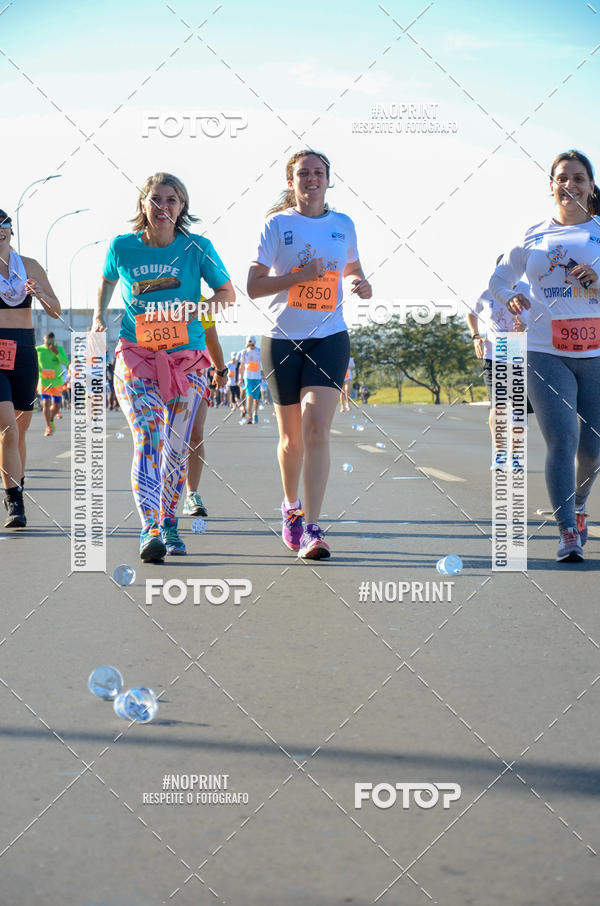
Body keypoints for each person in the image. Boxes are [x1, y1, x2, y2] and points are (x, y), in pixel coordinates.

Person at [92, 172, 235, 562]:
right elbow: (106, 280)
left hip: (187, 361)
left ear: (182, 206)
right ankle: (150, 528)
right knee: (149, 435)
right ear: (143, 204)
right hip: (136, 357)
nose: (163, 207)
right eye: (155, 199)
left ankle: (169, 521)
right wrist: (98, 316)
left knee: (176, 446)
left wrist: (199, 308)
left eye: (171, 200)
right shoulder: (122, 247)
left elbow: (227, 294)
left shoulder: (197, 248)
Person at [247, 149, 372, 559]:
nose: (311, 178)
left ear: (328, 180)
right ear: (291, 181)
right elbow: (253, 286)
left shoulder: (343, 225)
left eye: (318, 172)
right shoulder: (277, 225)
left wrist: (360, 283)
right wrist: (299, 276)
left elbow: (352, 268)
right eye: (303, 173)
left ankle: (313, 528)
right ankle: (291, 509)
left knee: (317, 429)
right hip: (282, 339)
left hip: (329, 336)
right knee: (291, 440)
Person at [489, 149, 600, 562]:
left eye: (578, 178)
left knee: (592, 448)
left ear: (590, 186)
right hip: (543, 351)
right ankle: (567, 530)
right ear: (551, 186)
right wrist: (510, 295)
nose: (570, 185)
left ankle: (580, 503)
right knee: (562, 439)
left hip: (596, 353)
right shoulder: (532, 235)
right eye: (562, 178)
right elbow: (499, 279)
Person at [0, 209, 61, 527]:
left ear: (11, 231)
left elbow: (55, 310)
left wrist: (41, 294)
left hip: (24, 350)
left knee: (20, 431)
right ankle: (14, 503)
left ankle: (17, 485)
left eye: (4, 225)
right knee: (7, 428)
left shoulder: (30, 266)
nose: (0, 230)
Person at [468, 262, 534, 470]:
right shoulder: (488, 292)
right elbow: (471, 314)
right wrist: (475, 337)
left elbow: (543, 317)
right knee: (498, 407)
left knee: (518, 409)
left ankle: (515, 456)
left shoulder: (529, 290)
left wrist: (525, 326)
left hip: (519, 354)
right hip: (493, 355)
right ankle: (500, 454)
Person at [182, 311, 228, 518]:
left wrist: (220, 370)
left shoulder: (201, 303)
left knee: (195, 434)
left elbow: (212, 340)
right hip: (162, 373)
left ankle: (192, 494)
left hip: (196, 373)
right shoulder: (157, 298)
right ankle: (161, 499)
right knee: (166, 438)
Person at [36, 332, 69, 435]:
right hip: (44, 382)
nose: (50, 343)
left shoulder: (59, 349)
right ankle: (48, 427)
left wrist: (56, 353)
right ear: (44, 340)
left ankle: (50, 419)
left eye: (52, 341)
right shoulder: (38, 350)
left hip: (57, 382)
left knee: (57, 406)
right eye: (48, 341)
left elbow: (66, 363)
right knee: (46, 403)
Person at [239, 335, 262, 424]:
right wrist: (240, 378)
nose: (250, 345)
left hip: (257, 377)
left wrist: (264, 374)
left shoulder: (259, 351)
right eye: (249, 343)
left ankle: (255, 414)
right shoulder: (244, 352)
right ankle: (249, 415)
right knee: (249, 395)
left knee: (256, 398)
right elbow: (242, 366)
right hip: (247, 377)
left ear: (254, 342)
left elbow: (263, 363)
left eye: (251, 343)